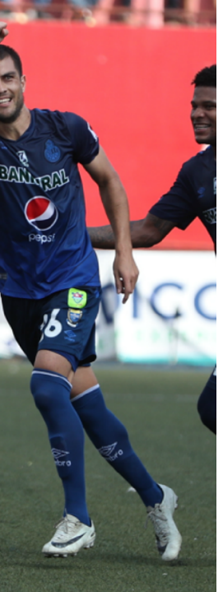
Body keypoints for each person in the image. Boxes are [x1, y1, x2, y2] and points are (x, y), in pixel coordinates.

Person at [0, 18, 181, 559]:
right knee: (84, 402)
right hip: (19, 292)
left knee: (47, 386)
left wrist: (123, 252)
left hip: (72, 280)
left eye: (8, 78)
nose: (0, 88)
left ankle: (79, 518)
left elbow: (111, 183)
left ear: (24, 81)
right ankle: (155, 496)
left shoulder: (66, 129)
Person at [87, 64, 216, 434]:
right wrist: (70, 234)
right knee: (212, 409)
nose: (197, 113)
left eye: (209, 105)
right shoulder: (197, 172)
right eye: (195, 105)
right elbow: (148, 230)